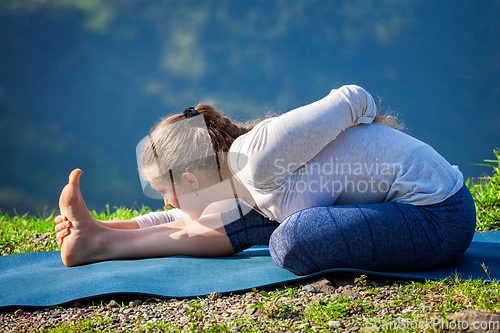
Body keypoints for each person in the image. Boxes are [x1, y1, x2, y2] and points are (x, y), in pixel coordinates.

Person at [55, 85, 476, 275]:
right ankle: (101, 241)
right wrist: (102, 225)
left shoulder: (257, 159)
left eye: (167, 194)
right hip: (392, 209)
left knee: (290, 240)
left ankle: (102, 240)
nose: (167, 204)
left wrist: (373, 148)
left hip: (437, 216)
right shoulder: (237, 179)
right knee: (249, 216)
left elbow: (353, 97)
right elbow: (195, 215)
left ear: (191, 178)